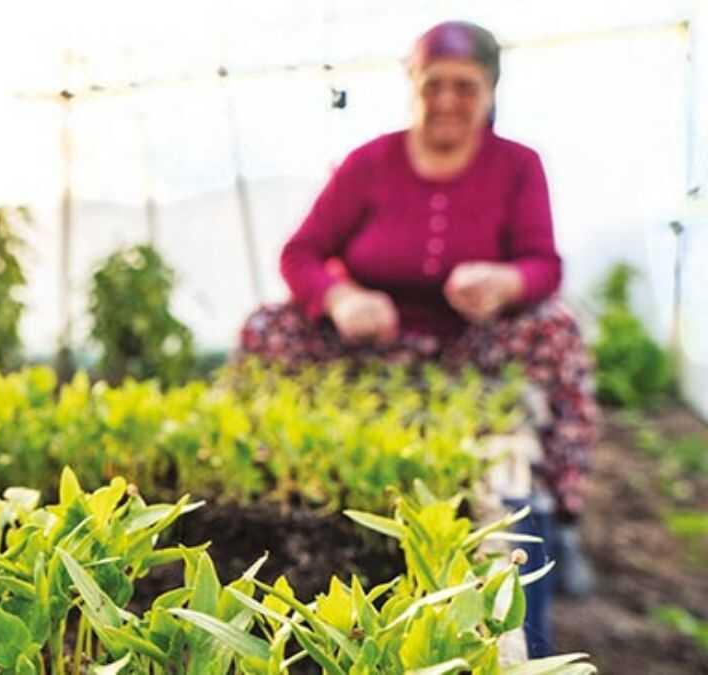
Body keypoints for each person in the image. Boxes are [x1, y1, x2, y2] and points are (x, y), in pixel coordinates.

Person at [237, 21, 599, 657]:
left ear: (490, 90)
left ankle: (559, 516)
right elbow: (302, 253)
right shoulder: (370, 163)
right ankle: (265, 478)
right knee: (269, 325)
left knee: (557, 329)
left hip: (473, 347)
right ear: (413, 85)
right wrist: (342, 296)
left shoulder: (516, 166)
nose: (449, 100)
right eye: (435, 84)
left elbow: (546, 265)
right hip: (375, 344)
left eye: (466, 85)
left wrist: (506, 280)